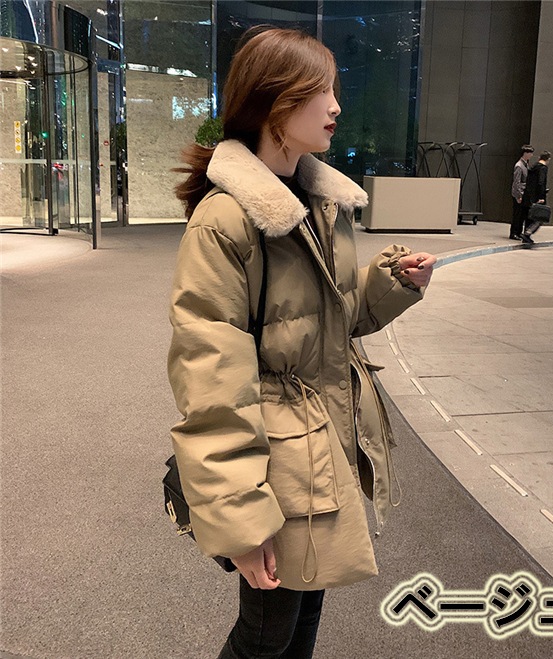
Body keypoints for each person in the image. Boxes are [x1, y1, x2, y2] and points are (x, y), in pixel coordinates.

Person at [167, 26, 436, 659]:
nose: (336, 106)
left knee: (303, 615)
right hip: (273, 457)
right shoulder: (228, 219)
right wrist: (240, 517)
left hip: (317, 445)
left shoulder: (319, 203)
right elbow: (211, 378)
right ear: (276, 103)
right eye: (321, 91)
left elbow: (330, 323)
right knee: (267, 635)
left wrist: (392, 282)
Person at [521, 150, 552, 245]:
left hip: (529, 195)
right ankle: (528, 233)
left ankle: (526, 235)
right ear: (548, 159)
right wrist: (541, 196)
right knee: (540, 217)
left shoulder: (533, 167)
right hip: (537, 196)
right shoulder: (543, 168)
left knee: (530, 215)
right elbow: (541, 182)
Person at [510, 144, 534, 239]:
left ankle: (518, 232)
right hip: (519, 193)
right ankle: (514, 233)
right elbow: (516, 182)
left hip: (524, 193)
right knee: (517, 214)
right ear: (525, 153)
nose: (531, 155)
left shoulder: (525, 164)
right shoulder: (519, 166)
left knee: (521, 215)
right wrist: (518, 195)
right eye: (530, 153)